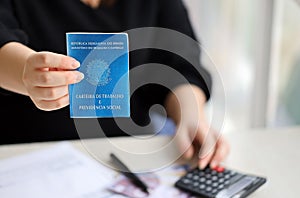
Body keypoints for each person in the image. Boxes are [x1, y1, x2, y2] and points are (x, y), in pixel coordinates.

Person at [0, 0, 229, 169]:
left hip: (128, 157)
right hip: (24, 157)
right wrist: (25, 72)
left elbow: (180, 62)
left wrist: (191, 117)